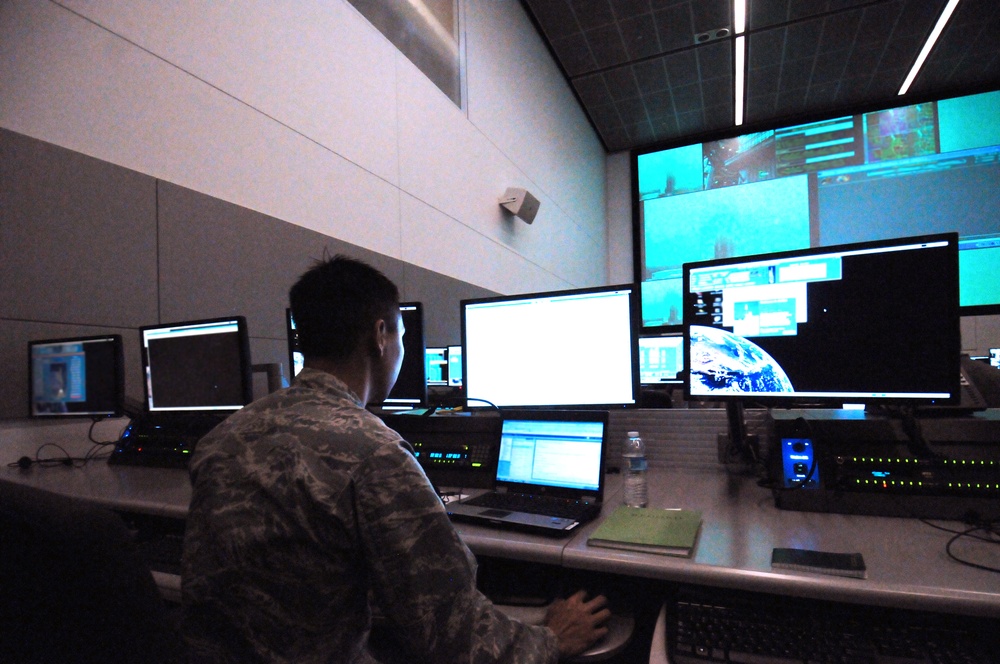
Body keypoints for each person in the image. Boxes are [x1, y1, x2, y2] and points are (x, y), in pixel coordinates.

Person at [181, 254, 610, 663]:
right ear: (380, 334)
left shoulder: (221, 438)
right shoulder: (374, 454)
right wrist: (551, 638)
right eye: (401, 336)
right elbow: (455, 637)